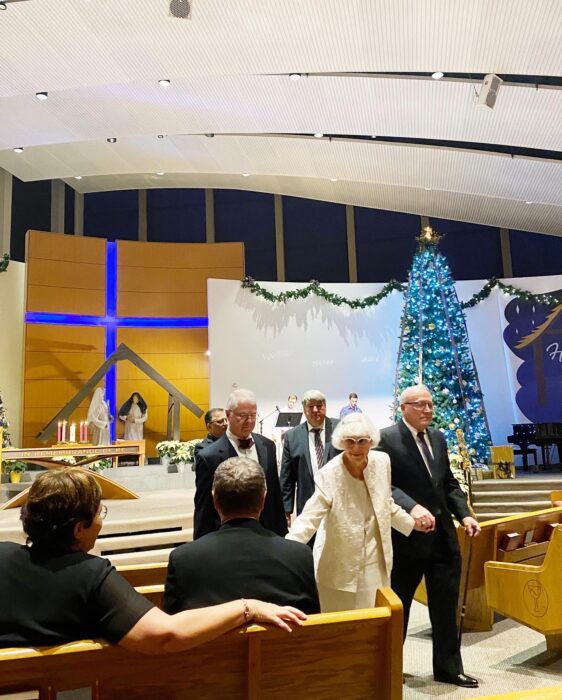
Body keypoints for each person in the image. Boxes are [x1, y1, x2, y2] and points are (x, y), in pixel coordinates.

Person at [0, 468, 306, 651]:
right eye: (99, 512)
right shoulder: (89, 575)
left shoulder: (3, 554)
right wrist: (248, 607)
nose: (101, 519)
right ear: (79, 529)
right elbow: (164, 635)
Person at [378, 384, 481, 688]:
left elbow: (448, 483)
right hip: (406, 538)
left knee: (445, 606)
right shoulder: (386, 438)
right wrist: (411, 507)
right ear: (404, 407)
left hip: (442, 538)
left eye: (430, 405)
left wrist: (465, 514)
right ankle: (389, 669)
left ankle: (449, 668)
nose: (427, 410)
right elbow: (386, 484)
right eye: (420, 405)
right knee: (399, 608)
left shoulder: (437, 437)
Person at [287, 413, 423, 612]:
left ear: (371, 442)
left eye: (362, 441)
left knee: (374, 624)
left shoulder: (382, 461)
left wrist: (410, 523)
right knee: (340, 629)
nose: (356, 447)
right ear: (341, 443)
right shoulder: (329, 474)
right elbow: (310, 516)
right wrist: (287, 549)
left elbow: (385, 503)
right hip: (338, 563)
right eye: (349, 441)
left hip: (374, 561)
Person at [164, 457, 320, 614]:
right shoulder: (299, 556)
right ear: (263, 499)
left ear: (214, 500)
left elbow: (172, 626)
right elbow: (312, 622)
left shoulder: (184, 560)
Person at [194, 389, 287, 539]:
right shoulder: (209, 457)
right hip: (228, 540)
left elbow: (275, 496)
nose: (249, 421)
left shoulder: (267, 446)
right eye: (243, 416)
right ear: (228, 415)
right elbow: (203, 510)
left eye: (252, 415)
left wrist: (282, 536)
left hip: (267, 536)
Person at [280, 389, 339, 525]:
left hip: (338, 504)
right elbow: (287, 477)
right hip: (307, 505)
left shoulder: (339, 428)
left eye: (319, 405)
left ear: (325, 406)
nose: (315, 409)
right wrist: (286, 509)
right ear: (304, 408)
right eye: (310, 406)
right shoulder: (292, 436)